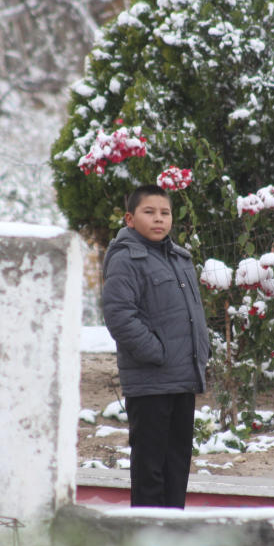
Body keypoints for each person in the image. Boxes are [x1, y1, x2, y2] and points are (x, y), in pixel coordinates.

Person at [101, 184, 210, 508]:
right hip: (150, 382)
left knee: (177, 466)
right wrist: (157, 353)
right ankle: (146, 544)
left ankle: (172, 539)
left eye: (165, 213)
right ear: (130, 219)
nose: (158, 219)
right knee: (150, 471)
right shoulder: (126, 259)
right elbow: (119, 316)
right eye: (149, 212)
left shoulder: (179, 257)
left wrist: (200, 352)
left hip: (181, 378)